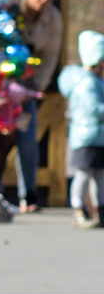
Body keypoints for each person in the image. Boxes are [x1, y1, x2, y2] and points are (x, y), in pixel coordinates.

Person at [9, 0, 65, 210]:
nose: (45, 0)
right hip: (0, 84)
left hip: (27, 87)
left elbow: (51, 57)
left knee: (28, 139)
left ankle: (28, 194)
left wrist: (34, 88)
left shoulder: (54, 18)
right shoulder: (10, 9)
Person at [62, 30, 103, 229]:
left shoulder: (96, 81)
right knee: (84, 173)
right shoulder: (87, 83)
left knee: (99, 175)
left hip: (98, 137)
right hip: (87, 137)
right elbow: (94, 108)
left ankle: (100, 208)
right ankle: (78, 207)